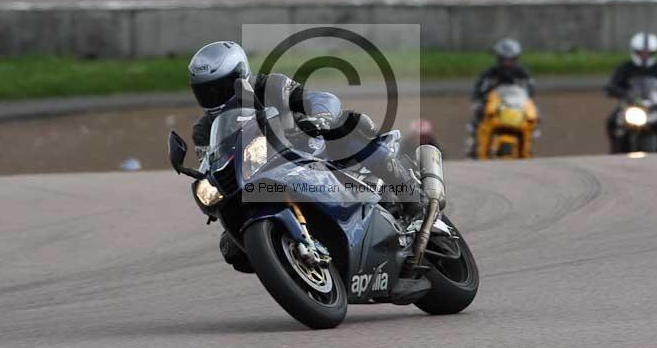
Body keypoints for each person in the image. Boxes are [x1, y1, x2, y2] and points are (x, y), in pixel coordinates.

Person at [187, 41, 419, 270]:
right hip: (259, 180)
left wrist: (321, 117)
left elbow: (320, 99)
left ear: (241, 74)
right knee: (232, 248)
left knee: (349, 126)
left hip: (308, 148)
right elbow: (210, 164)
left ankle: (410, 196)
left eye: (221, 87)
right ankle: (294, 261)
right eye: (206, 92)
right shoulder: (203, 131)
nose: (215, 96)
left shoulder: (271, 86)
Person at [465, 38, 535, 158]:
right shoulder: (489, 74)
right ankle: (475, 147)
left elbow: (529, 92)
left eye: (510, 59)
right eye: (504, 59)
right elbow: (478, 91)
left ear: (515, 59)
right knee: (478, 115)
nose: (507, 63)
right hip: (495, 108)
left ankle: (527, 147)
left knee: (532, 116)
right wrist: (481, 99)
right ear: (499, 59)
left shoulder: (523, 75)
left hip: (516, 108)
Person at [604, 32, 657, 153]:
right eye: (641, 53)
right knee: (612, 121)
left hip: (652, 108)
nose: (644, 56)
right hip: (630, 106)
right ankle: (615, 150)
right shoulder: (625, 68)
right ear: (635, 51)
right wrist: (622, 93)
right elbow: (613, 85)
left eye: (648, 53)